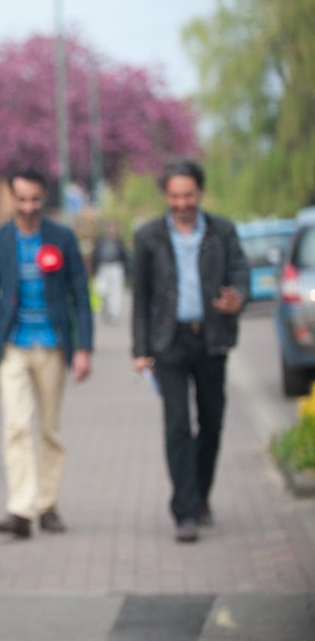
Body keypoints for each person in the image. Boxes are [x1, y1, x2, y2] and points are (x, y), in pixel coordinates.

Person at [0, 168, 93, 539]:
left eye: (34, 199)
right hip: (13, 346)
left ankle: (48, 505)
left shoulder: (62, 238)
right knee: (16, 426)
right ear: (11, 197)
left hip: (52, 345)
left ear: (44, 197)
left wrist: (83, 347)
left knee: (50, 429)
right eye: (21, 199)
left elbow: (80, 297)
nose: (27, 206)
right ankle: (21, 509)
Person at [131, 159, 247, 543]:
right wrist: (140, 349)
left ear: (200, 193)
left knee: (211, 423)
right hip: (170, 342)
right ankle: (185, 510)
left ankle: (200, 497)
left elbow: (240, 274)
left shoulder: (223, 231)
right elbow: (141, 296)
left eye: (189, 195)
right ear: (167, 195)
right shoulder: (149, 235)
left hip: (212, 338)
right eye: (175, 196)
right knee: (178, 424)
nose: (182, 203)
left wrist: (237, 298)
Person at [91, 219, 130, 324]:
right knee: (102, 291)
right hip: (103, 267)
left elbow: (124, 256)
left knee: (115, 292)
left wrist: (127, 271)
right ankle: (105, 309)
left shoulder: (119, 241)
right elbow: (95, 256)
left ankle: (113, 313)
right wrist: (93, 270)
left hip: (116, 268)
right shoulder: (100, 240)